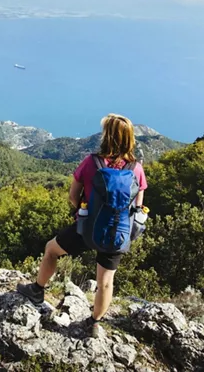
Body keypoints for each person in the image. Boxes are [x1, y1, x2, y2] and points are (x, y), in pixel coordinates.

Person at [17, 113, 148, 338]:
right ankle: (94, 323)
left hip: (86, 229)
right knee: (105, 282)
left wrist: (85, 210)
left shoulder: (91, 162)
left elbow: (72, 196)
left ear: (107, 136)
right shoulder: (136, 169)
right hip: (116, 235)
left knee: (51, 250)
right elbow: (138, 206)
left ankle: (37, 291)